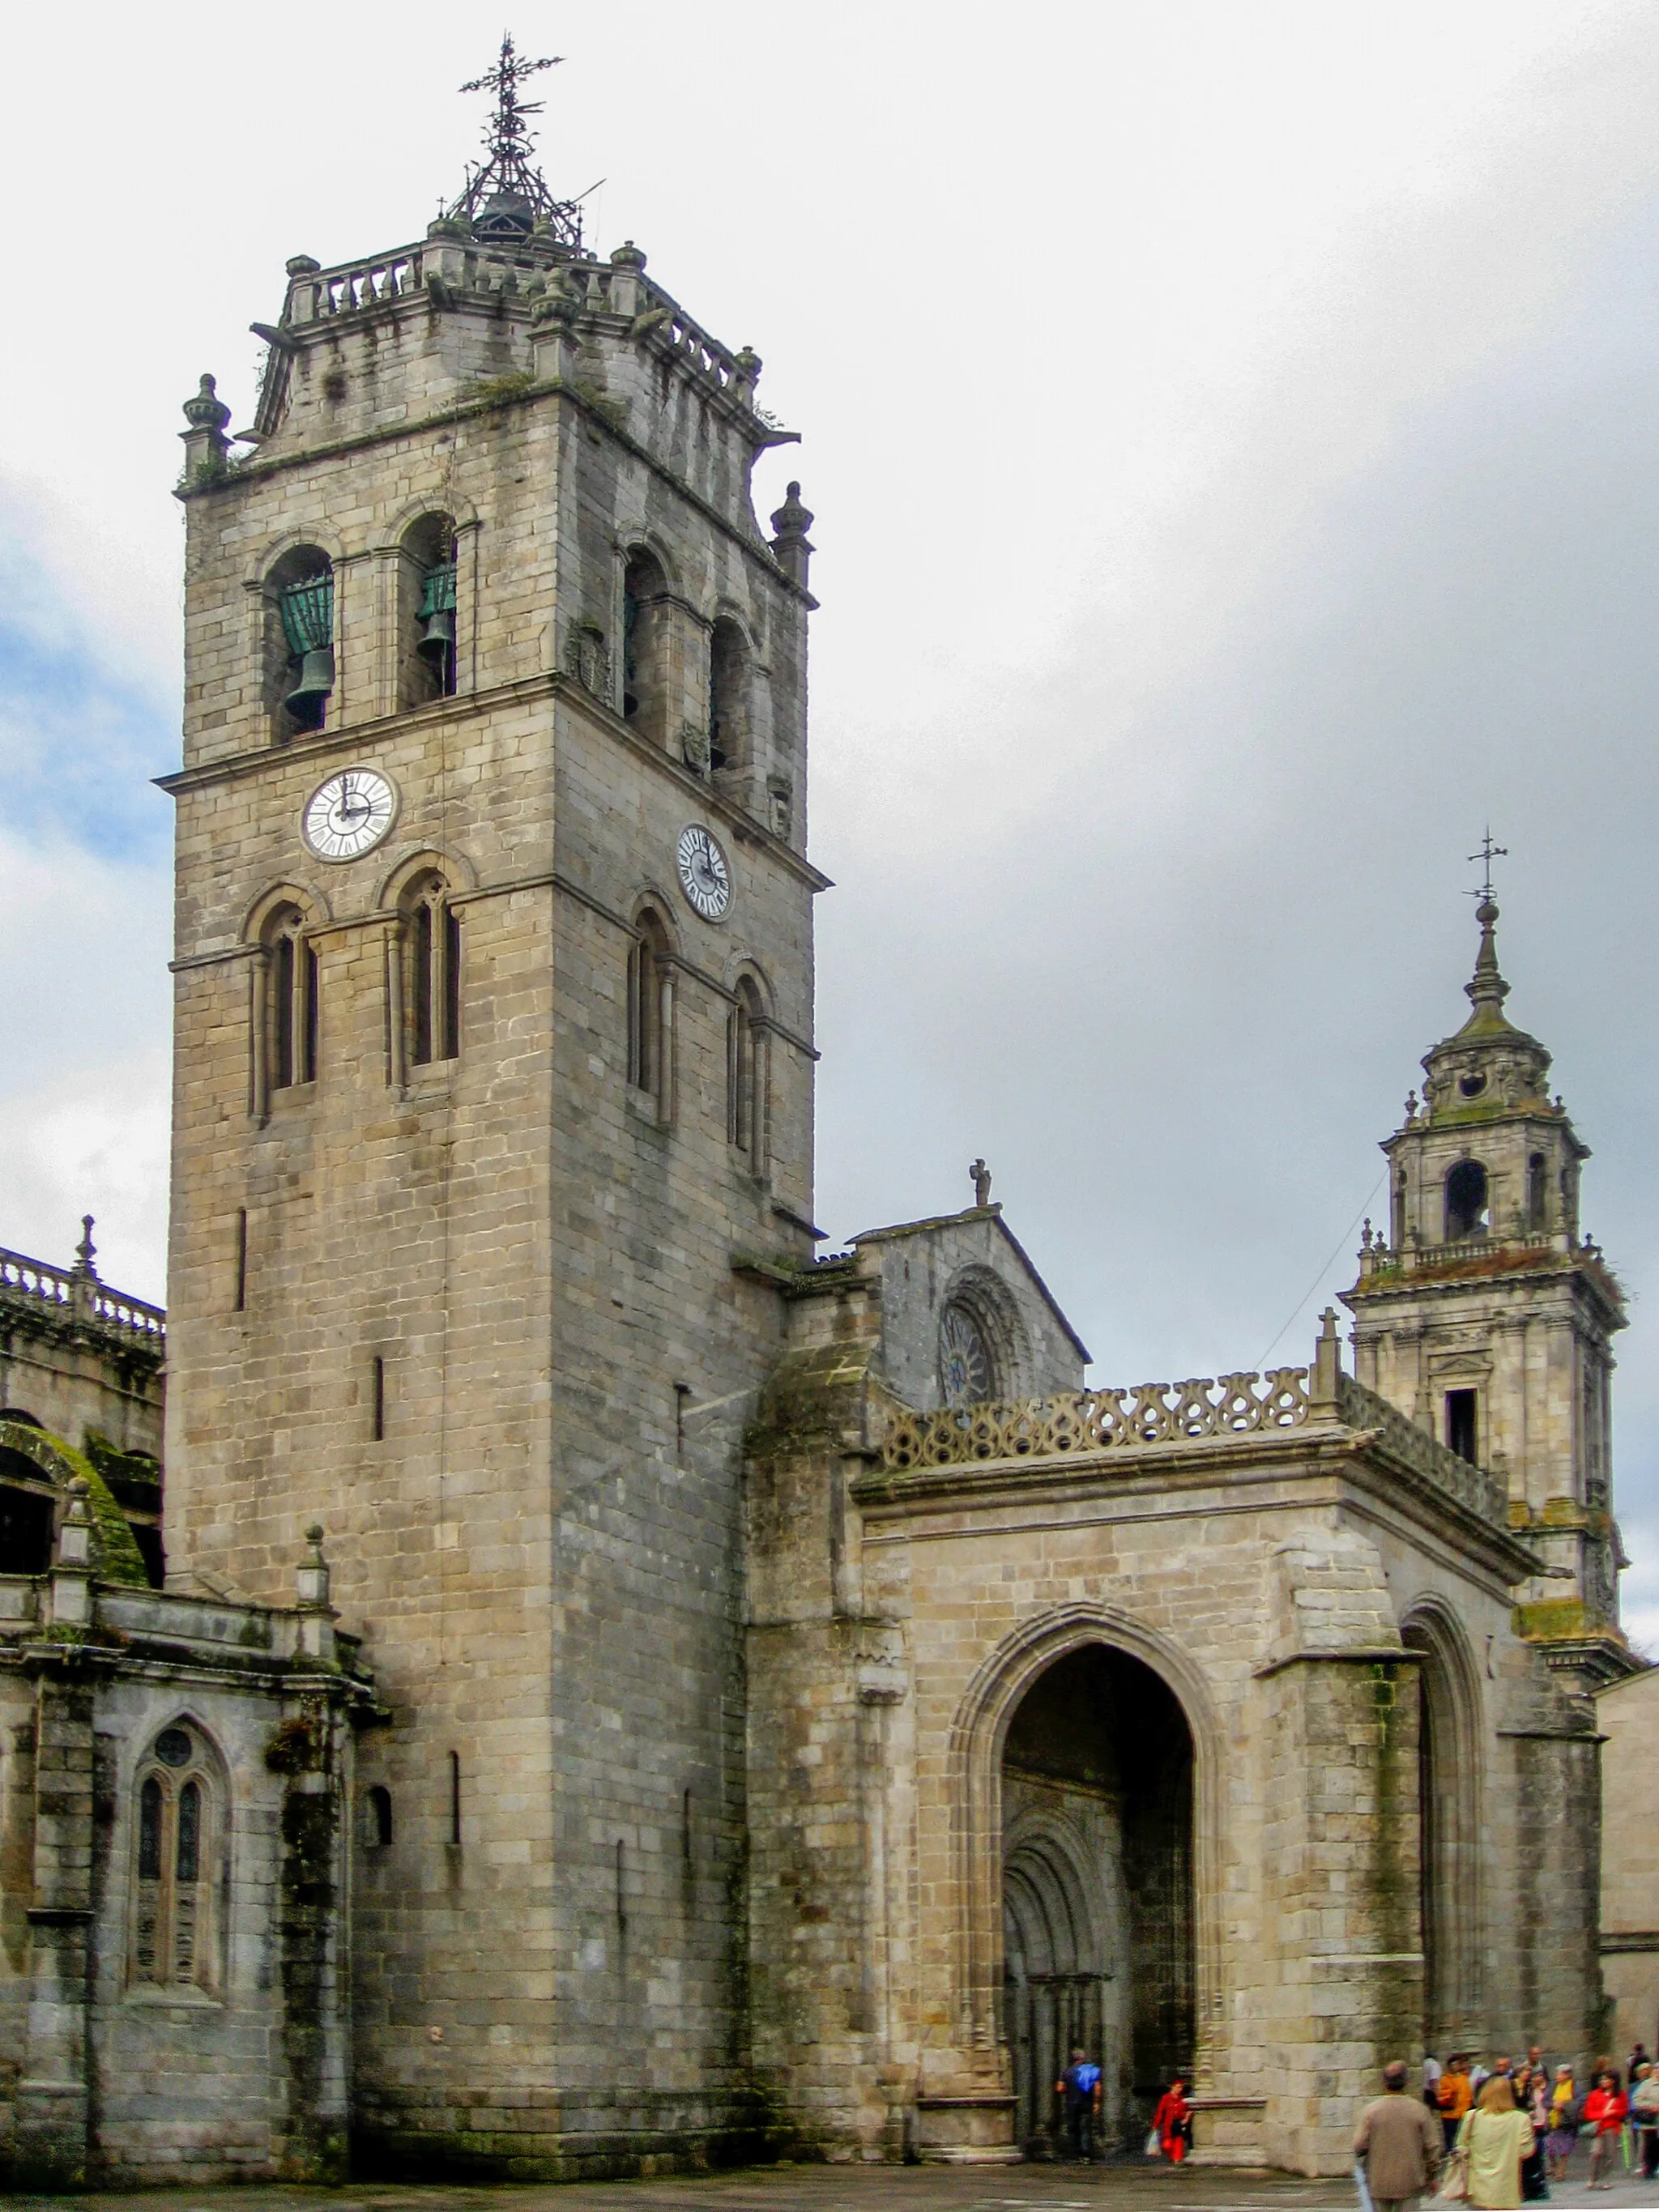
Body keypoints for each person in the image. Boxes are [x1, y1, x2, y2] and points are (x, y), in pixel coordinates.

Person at [1355, 2060, 1442, 2212]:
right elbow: (1432, 2146)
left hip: (1378, 2180)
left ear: (1383, 2082)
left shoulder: (1371, 2111)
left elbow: (1359, 2145)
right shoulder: (1419, 2110)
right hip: (1411, 2179)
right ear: (1407, 2081)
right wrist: (1431, 2175)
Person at [1456, 2075, 1533, 2210]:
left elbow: (1462, 2147)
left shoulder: (1472, 2117)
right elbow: (1526, 2152)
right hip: (1506, 2190)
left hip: (1477, 2189)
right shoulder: (1522, 2119)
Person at [1055, 2046, 1102, 2163]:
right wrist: (1096, 2102)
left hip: (1071, 2104)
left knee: (1073, 2129)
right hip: (1086, 2103)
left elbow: (1060, 2088)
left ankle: (1075, 2155)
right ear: (1083, 2058)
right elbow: (1097, 2087)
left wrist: (1069, 2090)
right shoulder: (1090, 2070)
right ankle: (1086, 2156)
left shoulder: (1066, 2072)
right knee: (1085, 2129)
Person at [1584, 2069, 1627, 2190]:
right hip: (1599, 2128)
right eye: (1602, 2079)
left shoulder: (1620, 2095)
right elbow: (1588, 2113)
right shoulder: (1595, 2094)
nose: (1602, 2081)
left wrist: (1614, 2112)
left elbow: (1624, 2111)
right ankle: (1592, 2177)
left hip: (1612, 2128)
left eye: (1605, 2079)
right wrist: (1603, 2114)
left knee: (1610, 2155)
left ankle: (1605, 2178)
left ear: (1613, 2081)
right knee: (1595, 2153)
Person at [1545, 2067, 1577, 2183]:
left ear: (1567, 2075)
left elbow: (1578, 2101)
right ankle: (1554, 2165)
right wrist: (1554, 2105)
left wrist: (1564, 2106)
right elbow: (1545, 2100)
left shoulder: (1574, 2086)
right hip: (1553, 2121)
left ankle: (1561, 2171)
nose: (1557, 2077)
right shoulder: (1553, 2086)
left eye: (1560, 2074)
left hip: (1566, 2122)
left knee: (1564, 2149)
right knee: (1549, 2147)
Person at [1439, 2057, 1475, 2157]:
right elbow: (1441, 2094)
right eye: (1452, 2065)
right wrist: (1451, 2093)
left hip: (1463, 2114)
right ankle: (1450, 2157)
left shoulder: (1464, 2079)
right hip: (1449, 2115)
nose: (1454, 2067)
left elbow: (1468, 2095)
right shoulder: (1444, 2079)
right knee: (1450, 2138)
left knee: (1462, 2138)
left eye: (1456, 2064)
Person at [1631, 2060, 1659, 2180]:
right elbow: (1636, 2100)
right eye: (1657, 2070)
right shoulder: (1647, 2084)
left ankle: (1655, 2166)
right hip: (1650, 2121)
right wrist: (1651, 2106)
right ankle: (1649, 2169)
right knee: (1650, 2145)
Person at [1153, 2078, 1191, 2163]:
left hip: (1179, 2122)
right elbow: (1160, 2112)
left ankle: (1177, 2159)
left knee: (1178, 2142)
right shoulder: (1166, 2098)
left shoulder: (1182, 2099)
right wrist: (1155, 2125)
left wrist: (1187, 2117)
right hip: (1169, 2123)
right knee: (1167, 2145)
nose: (1180, 2089)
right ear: (1173, 2087)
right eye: (1178, 2087)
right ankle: (1172, 2157)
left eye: (1181, 2087)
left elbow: (1187, 2110)